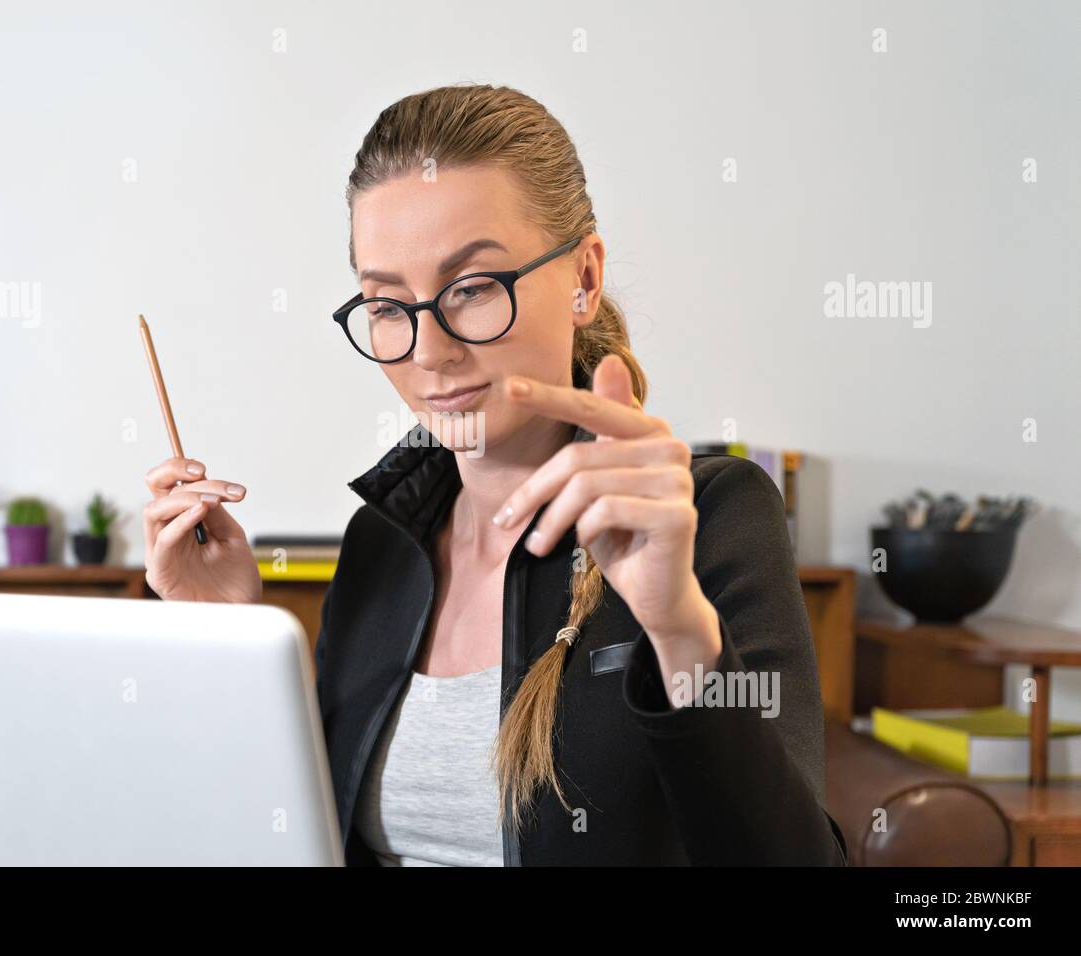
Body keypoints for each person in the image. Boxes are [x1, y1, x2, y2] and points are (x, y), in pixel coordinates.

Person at [142, 84, 847, 866]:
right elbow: (294, 835)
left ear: (583, 277)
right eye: (386, 304)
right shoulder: (381, 540)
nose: (428, 350)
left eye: (472, 289)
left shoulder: (712, 514)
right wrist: (232, 636)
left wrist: (677, 625)